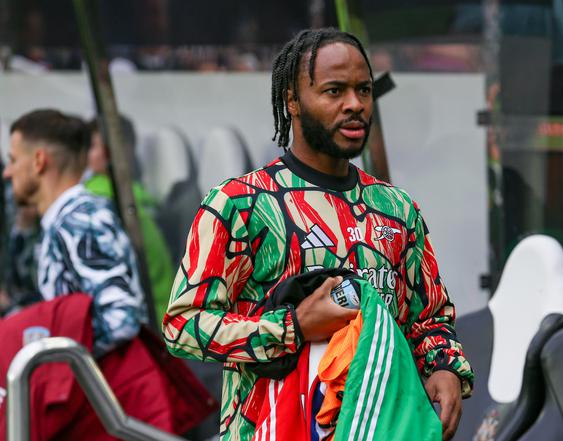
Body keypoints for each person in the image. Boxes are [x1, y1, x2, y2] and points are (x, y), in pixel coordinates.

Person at [163, 28, 473, 440]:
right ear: (292, 101)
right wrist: (292, 327)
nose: (355, 104)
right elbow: (182, 326)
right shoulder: (240, 204)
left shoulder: (397, 209)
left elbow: (429, 317)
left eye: (364, 90)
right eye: (334, 91)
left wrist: (445, 367)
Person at [2, 109, 146, 356]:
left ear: (39, 161)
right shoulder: (63, 221)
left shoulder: (80, 222)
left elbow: (122, 320)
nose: (7, 172)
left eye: (13, 160)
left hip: (99, 380)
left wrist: (50, 357)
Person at [84, 116, 175, 325]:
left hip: (149, 320)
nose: (91, 153)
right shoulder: (138, 197)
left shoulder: (98, 198)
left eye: (95, 146)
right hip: (166, 312)